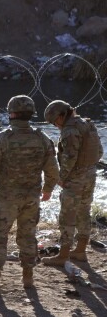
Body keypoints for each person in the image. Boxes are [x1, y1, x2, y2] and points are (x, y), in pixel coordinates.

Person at [0, 95, 58, 293]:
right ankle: (27, 278)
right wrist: (47, 189)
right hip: (31, 197)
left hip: (6, 197)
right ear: (31, 114)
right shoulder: (42, 138)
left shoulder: (4, 138)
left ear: (12, 114)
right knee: (28, 236)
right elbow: (53, 170)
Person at [41, 100, 104, 266]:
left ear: (62, 116)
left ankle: (63, 255)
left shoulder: (69, 131)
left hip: (74, 179)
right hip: (90, 174)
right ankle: (81, 251)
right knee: (84, 212)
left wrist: (61, 178)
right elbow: (99, 152)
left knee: (67, 217)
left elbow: (69, 158)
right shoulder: (88, 125)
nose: (55, 125)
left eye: (55, 121)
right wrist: (87, 168)